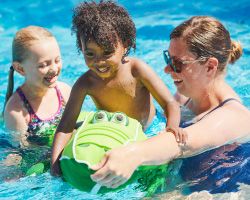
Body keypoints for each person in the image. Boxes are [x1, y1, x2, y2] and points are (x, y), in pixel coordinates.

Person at [89, 16, 250, 190]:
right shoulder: (184, 98)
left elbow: (182, 145)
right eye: (168, 59)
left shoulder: (234, 116)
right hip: (187, 183)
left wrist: (132, 154)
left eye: (177, 63)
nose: (167, 70)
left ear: (210, 67)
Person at [51, 1, 181, 176]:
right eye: (90, 54)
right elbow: (65, 125)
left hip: (149, 130)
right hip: (114, 133)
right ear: (81, 48)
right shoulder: (85, 83)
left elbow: (170, 104)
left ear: (125, 45)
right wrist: (55, 163)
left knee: (161, 174)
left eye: (107, 53)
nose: (99, 61)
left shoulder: (136, 70)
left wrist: (170, 132)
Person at [3, 26, 71, 147]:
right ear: (20, 68)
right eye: (43, 65)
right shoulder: (17, 111)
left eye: (57, 60)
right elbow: (22, 150)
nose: (54, 69)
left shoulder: (64, 91)